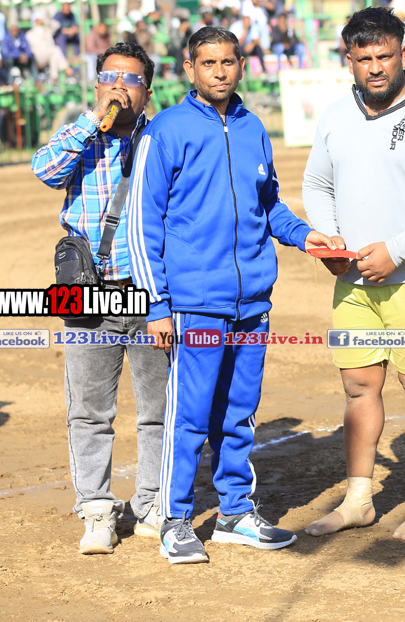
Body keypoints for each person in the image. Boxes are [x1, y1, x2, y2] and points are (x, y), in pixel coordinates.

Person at [129, 27, 332, 564]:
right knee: (189, 416)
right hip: (194, 304)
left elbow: (270, 205)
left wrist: (304, 236)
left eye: (228, 62)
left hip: (252, 303)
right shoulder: (166, 131)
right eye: (208, 62)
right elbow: (141, 226)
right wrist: (155, 306)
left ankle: (235, 514)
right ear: (189, 69)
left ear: (241, 65)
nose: (219, 72)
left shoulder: (253, 128)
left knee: (239, 413)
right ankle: (173, 519)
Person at [301, 6, 405, 542]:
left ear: (403, 53)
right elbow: (317, 184)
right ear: (349, 60)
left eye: (385, 55)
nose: (375, 67)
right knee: (358, 387)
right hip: (352, 281)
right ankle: (358, 501)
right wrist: (331, 239)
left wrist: (396, 251)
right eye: (364, 58)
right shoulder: (336, 116)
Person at [31, 42, 166, 554]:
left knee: (158, 409)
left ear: (147, 92)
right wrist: (94, 120)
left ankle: (151, 504)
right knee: (89, 411)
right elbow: (45, 171)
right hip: (87, 292)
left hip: (150, 292)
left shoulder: (160, 138)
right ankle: (96, 511)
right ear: (96, 85)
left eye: (130, 79)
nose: (118, 87)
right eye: (110, 77)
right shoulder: (80, 136)